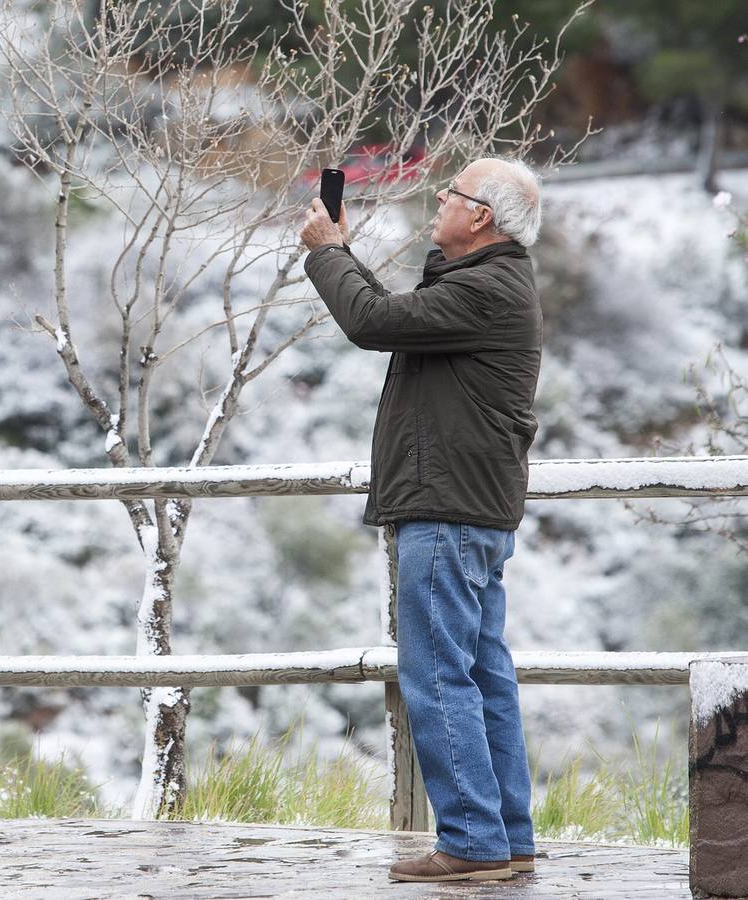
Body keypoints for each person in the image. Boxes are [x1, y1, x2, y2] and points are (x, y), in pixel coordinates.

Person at [298, 157, 544, 883]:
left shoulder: (486, 289)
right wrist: (341, 254)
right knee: (480, 675)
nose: (438, 198)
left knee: (436, 673)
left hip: (447, 507)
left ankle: (470, 842)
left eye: (453, 193)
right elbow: (392, 315)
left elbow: (371, 320)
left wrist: (326, 252)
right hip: (471, 506)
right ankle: (505, 838)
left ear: (481, 218)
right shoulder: (485, 284)